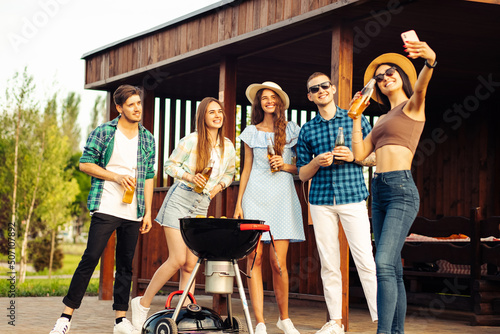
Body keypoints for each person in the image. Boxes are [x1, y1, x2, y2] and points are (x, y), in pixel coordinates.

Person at [49, 85, 156, 334]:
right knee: (90, 258)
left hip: (134, 210)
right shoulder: (105, 132)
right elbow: (85, 163)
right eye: (131, 104)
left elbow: (149, 175)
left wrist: (148, 211)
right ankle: (65, 318)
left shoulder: (147, 137)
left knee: (126, 265)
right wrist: (116, 177)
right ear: (119, 108)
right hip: (106, 205)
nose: (137, 108)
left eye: (139, 103)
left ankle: (120, 321)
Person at [351, 40, 436, 333]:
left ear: (400, 75)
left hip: (401, 189)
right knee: (394, 270)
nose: (385, 78)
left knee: (383, 263)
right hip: (379, 191)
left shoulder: (412, 106)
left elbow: (422, 86)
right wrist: (356, 115)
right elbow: (361, 154)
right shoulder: (381, 119)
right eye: (379, 77)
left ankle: (383, 332)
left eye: (389, 73)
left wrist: (430, 61)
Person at [130, 97, 236, 329]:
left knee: (190, 264)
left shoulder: (227, 145)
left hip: (201, 204)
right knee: (177, 259)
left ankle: (181, 311)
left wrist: (215, 189)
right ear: (203, 117)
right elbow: (169, 166)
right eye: (211, 112)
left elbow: (230, 173)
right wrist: (190, 176)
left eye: (220, 111)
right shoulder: (192, 140)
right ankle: (142, 303)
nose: (217, 116)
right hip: (180, 199)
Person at [296, 73, 378, 334]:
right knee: (329, 264)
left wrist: (354, 156)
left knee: (365, 259)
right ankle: (335, 322)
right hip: (320, 201)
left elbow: (374, 156)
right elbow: (301, 173)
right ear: (310, 96)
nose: (320, 90)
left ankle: (381, 319)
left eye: (324, 86)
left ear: (332, 89)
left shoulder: (355, 117)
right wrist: (315, 163)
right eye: (314, 89)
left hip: (352, 196)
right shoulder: (307, 129)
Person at [234, 81, 305, 334]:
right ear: (259, 103)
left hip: (282, 198)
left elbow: (303, 167)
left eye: (273, 96)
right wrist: (239, 203)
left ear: (280, 102)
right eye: (264, 97)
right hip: (254, 196)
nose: (269, 100)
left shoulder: (293, 130)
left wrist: (284, 165)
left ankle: (284, 319)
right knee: (255, 259)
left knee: (278, 263)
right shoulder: (250, 132)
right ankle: (260, 322)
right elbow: (246, 169)